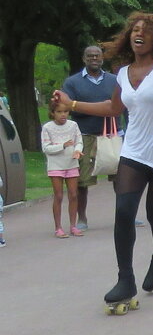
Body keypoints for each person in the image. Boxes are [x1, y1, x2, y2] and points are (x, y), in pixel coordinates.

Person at [53, 12, 153, 310]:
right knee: (123, 212)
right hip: (134, 151)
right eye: (135, 30)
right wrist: (70, 104)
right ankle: (125, 279)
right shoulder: (123, 72)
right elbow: (113, 106)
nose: (139, 34)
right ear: (129, 37)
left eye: (145, 31)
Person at [62, 45, 119, 231]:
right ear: (84, 58)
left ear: (102, 58)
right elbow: (67, 106)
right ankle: (82, 218)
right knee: (82, 181)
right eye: (90, 56)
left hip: (112, 135)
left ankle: (125, 216)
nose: (94, 58)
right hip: (84, 136)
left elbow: (122, 104)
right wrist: (100, 107)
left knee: (121, 178)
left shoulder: (115, 80)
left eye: (97, 56)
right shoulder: (72, 82)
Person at [41, 98, 84, 238]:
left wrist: (77, 150)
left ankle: (73, 225)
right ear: (53, 113)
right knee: (58, 195)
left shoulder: (73, 125)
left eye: (65, 111)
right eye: (59, 112)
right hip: (56, 165)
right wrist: (63, 145)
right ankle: (58, 227)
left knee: (73, 194)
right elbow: (46, 148)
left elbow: (79, 141)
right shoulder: (47, 127)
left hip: (71, 163)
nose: (63, 115)